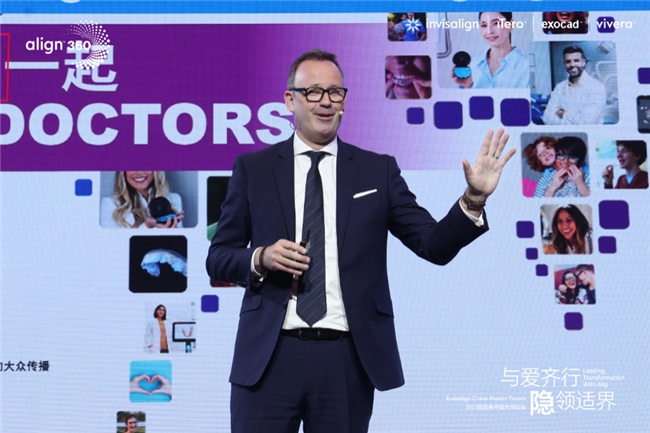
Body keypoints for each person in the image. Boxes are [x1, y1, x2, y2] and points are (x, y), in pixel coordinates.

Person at [206, 49, 515, 433]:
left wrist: (474, 199)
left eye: (335, 92)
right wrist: (261, 257)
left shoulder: (376, 170)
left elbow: (432, 244)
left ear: (345, 100)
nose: (325, 101)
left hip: (347, 360)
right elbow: (218, 258)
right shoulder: (254, 168)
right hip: (269, 357)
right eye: (313, 91)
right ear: (290, 100)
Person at [453, 12, 530, 89]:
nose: (489, 31)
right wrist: (468, 86)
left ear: (510, 24)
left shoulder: (528, 66)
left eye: (496, 23)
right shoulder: (472, 65)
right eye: (484, 25)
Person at [543, 46, 607, 125]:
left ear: (583, 62)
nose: (572, 64)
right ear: (564, 64)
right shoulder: (559, 88)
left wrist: (562, 113)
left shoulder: (597, 88)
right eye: (568, 61)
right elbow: (547, 118)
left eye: (576, 60)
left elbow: (586, 122)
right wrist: (575, 119)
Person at [100, 171, 184, 228]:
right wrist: (147, 226)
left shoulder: (174, 199)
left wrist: (173, 234)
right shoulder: (110, 204)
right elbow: (111, 245)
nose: (139, 172)